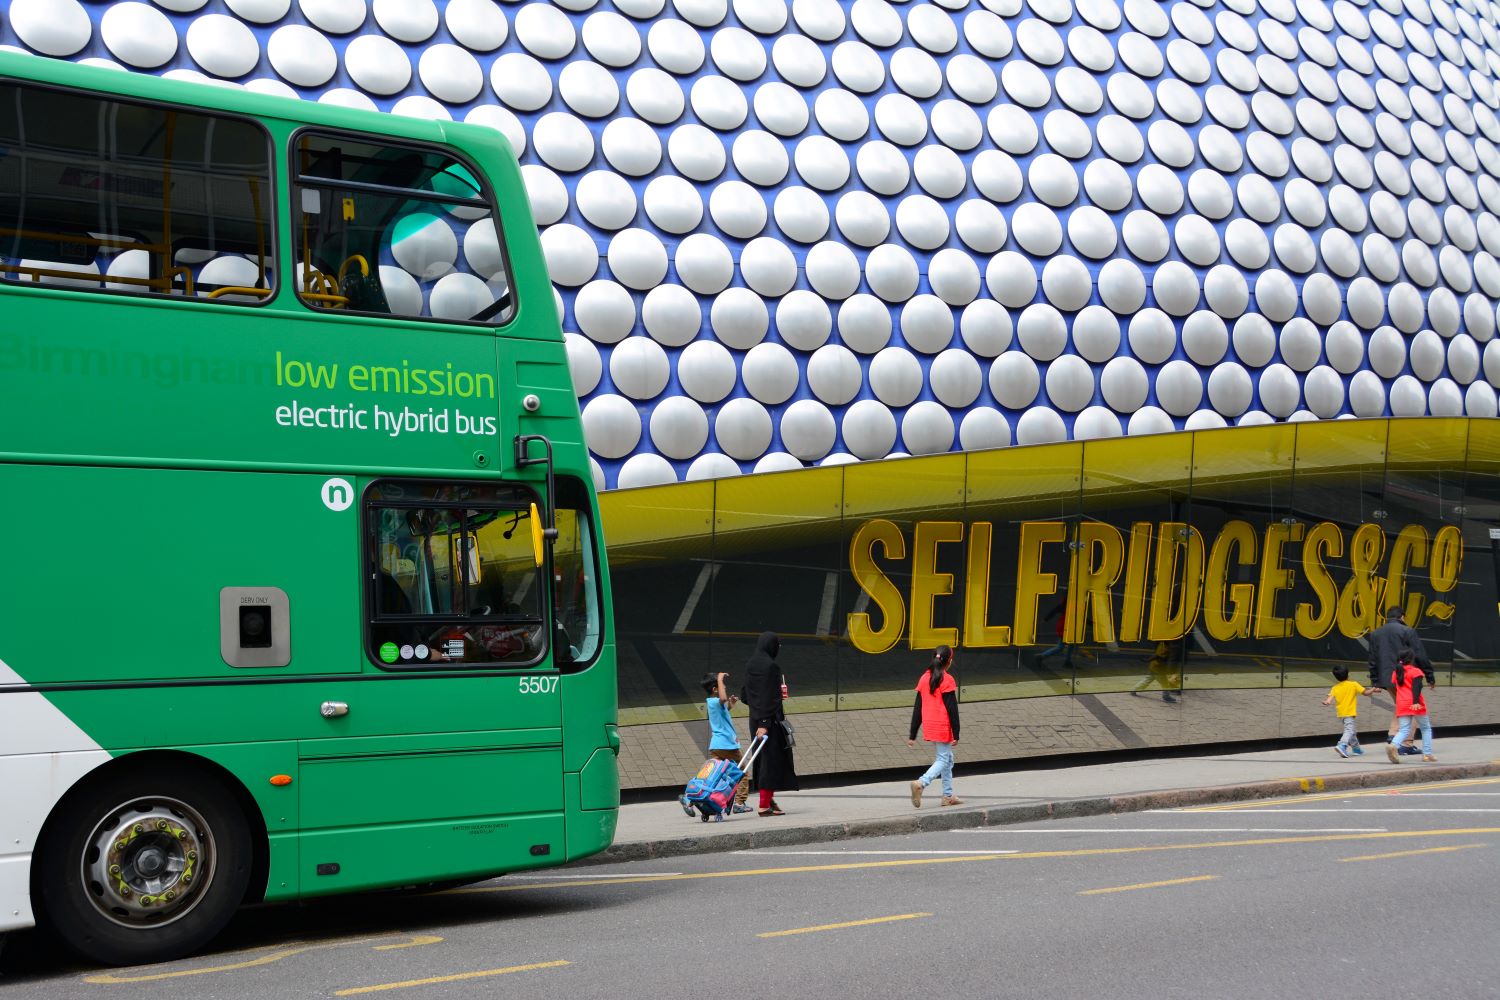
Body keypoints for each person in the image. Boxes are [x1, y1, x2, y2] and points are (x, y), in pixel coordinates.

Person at [741, 631, 799, 816]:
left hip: (755, 719)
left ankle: (768, 800)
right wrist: (765, 721)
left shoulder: (751, 663)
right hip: (769, 722)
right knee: (771, 761)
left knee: (763, 760)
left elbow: (745, 695)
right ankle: (764, 805)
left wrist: (758, 714)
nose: (778, 648)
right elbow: (768, 696)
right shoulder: (771, 667)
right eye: (777, 645)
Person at [1367, 607, 1433, 754]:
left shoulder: (1376, 633)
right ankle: (1406, 744)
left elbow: (1372, 659)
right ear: (1402, 617)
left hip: (1387, 679)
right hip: (1407, 677)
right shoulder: (1408, 631)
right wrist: (1429, 675)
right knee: (1413, 707)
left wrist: (1375, 681)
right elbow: (1420, 654)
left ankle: (1393, 736)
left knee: (1401, 705)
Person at [908, 645, 962, 807]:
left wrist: (912, 734)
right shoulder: (947, 679)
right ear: (949, 661)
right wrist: (956, 733)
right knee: (943, 758)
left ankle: (948, 796)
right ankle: (921, 783)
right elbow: (952, 709)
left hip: (930, 725)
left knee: (948, 759)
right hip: (943, 726)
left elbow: (917, 708)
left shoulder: (924, 678)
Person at [702, 671, 752, 814]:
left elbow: (723, 711)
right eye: (721, 686)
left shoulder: (712, 703)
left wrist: (731, 705)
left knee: (713, 774)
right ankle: (739, 803)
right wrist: (720, 678)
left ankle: (693, 799)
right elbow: (723, 698)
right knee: (742, 772)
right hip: (727, 745)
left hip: (717, 746)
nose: (724, 688)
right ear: (715, 689)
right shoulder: (715, 701)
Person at [1387, 648, 1437, 763]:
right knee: (1426, 728)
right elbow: (1417, 687)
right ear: (1412, 659)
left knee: (1404, 729)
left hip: (1401, 703)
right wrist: (1415, 702)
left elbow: (1397, 685)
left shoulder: (1396, 672)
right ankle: (1427, 754)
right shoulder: (1416, 671)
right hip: (1415, 703)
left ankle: (1393, 745)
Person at [1322, 664, 1376, 758]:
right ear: (1348, 674)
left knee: (1352, 731)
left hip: (1341, 714)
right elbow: (1366, 693)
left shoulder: (1335, 687)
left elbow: (1329, 699)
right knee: (1349, 730)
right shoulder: (1353, 684)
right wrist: (1374, 689)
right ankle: (1342, 745)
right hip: (1349, 713)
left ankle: (1356, 749)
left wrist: (1327, 702)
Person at [1033, 600, 1074, 669]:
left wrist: (1045, 619)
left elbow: (1054, 611)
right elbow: (1082, 617)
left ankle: (1067, 661)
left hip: (1064, 626)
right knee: (1063, 646)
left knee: (1067, 645)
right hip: (1067, 627)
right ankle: (1041, 656)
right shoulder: (1072, 604)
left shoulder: (1065, 603)